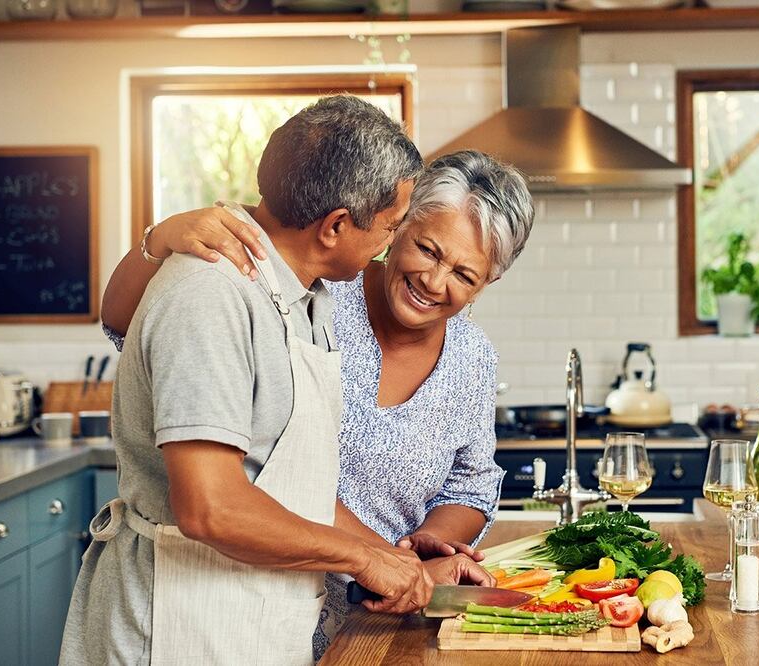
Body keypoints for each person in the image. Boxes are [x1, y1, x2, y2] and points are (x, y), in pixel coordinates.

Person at [60, 96, 488, 666]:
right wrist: (362, 560)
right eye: (389, 230)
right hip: (174, 628)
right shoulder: (210, 293)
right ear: (336, 225)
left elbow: (291, 484)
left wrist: (397, 563)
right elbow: (211, 508)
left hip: (247, 618)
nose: (389, 248)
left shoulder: (305, 297)